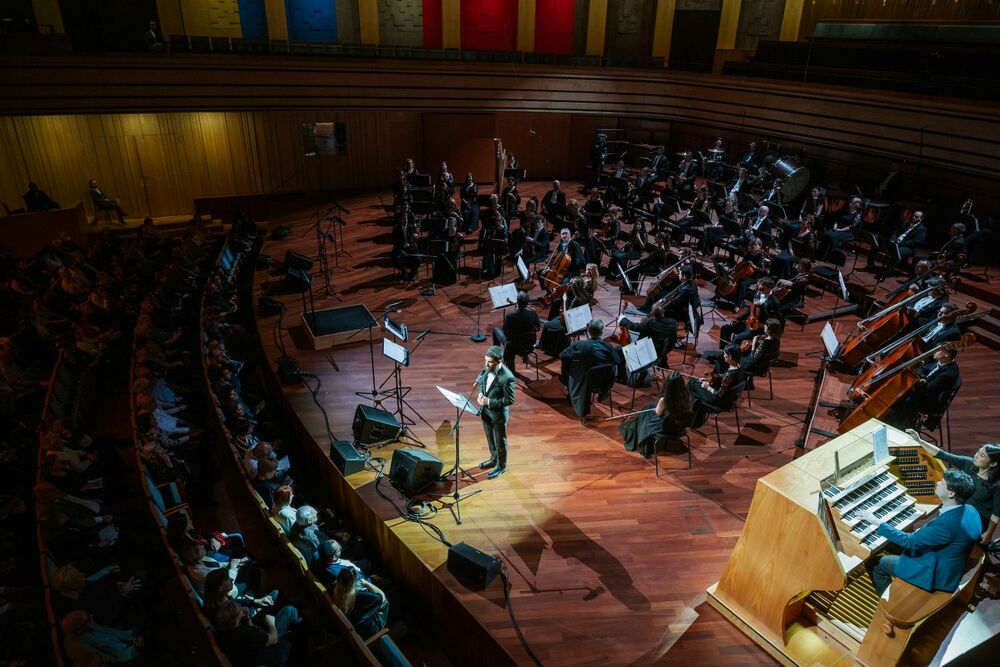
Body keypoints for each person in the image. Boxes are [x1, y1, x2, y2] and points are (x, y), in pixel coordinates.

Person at [860, 470, 980, 596]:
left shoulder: (948, 525)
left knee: (874, 564)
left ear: (951, 493)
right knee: (891, 544)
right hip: (947, 558)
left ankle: (889, 603)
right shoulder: (970, 510)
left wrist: (876, 521)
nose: (937, 483)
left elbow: (910, 542)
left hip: (934, 573)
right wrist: (924, 532)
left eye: (942, 483)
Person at [906, 430, 1000, 545]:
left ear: (993, 464)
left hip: (978, 520)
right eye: (978, 452)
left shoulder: (997, 484)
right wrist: (919, 441)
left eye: (982, 455)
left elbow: (997, 512)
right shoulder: (969, 464)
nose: (976, 456)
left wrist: (989, 533)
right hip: (958, 512)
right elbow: (942, 454)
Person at [883, 346, 961, 430]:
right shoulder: (941, 361)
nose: (935, 351)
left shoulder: (949, 373)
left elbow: (929, 389)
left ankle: (894, 426)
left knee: (904, 400)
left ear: (946, 354)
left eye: (938, 350)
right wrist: (923, 378)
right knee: (900, 393)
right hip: (923, 391)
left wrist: (917, 384)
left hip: (930, 401)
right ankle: (895, 420)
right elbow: (922, 369)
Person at [620, 371, 694, 458]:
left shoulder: (664, 400)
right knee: (649, 406)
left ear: (668, 386)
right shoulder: (688, 397)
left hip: (665, 429)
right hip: (679, 428)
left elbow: (658, 413)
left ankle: (638, 434)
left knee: (645, 415)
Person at [560, 320, 618, 422]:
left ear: (588, 331)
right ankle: (603, 391)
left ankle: (570, 388)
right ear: (601, 332)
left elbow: (563, 355)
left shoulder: (579, 345)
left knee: (567, 366)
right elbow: (617, 360)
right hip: (605, 381)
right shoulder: (608, 346)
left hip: (586, 380)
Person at [214, 597, 298, 667]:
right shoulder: (245, 634)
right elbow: (274, 639)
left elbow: (253, 635)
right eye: (239, 608)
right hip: (274, 656)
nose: (241, 606)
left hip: (255, 652)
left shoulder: (225, 632)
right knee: (290, 611)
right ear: (235, 618)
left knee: (289, 611)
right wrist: (271, 623)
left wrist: (248, 619)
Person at [476, 346, 516, 479]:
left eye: (490, 362)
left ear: (499, 361)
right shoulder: (488, 366)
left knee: (500, 441)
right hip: (485, 411)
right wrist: (480, 393)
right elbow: (482, 381)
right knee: (490, 439)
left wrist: (490, 402)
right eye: (485, 360)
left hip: (498, 415)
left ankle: (501, 466)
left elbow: (510, 399)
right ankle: (494, 459)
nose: (486, 364)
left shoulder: (508, 377)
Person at [689, 344, 744, 428]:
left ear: (730, 356)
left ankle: (690, 416)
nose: (723, 355)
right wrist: (713, 376)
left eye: (725, 354)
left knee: (692, 384)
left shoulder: (729, 374)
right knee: (696, 382)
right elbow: (727, 378)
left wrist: (707, 387)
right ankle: (695, 414)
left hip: (719, 402)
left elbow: (718, 394)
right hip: (729, 400)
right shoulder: (740, 367)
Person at [61, 610, 143, 665]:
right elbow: (110, 660)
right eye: (89, 619)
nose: (91, 617)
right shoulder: (81, 648)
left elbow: (109, 631)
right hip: (126, 659)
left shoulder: (87, 626)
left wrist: (131, 636)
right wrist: (133, 650)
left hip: (127, 644)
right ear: (80, 629)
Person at [720, 277, 781, 347]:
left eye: (761, 288)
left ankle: (733, 354)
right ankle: (726, 352)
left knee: (737, 338)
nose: (759, 290)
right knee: (726, 328)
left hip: (759, 328)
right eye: (758, 288)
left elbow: (772, 319)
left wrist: (762, 306)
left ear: (768, 288)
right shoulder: (758, 295)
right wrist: (740, 319)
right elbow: (751, 310)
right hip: (750, 322)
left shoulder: (774, 302)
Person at [331, 567, 388, 639]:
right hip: (369, 629)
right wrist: (366, 583)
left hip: (354, 625)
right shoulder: (359, 596)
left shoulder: (334, 588)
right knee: (388, 594)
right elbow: (381, 597)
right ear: (354, 580)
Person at [492, 290, 540, 371]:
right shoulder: (533, 314)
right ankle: (525, 356)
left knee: (495, 330)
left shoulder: (510, 316)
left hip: (513, 347)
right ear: (527, 303)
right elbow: (537, 328)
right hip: (529, 345)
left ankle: (497, 357)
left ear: (517, 302)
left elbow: (506, 332)